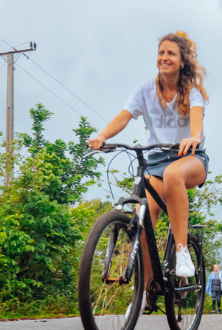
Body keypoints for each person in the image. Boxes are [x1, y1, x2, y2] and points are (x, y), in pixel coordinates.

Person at [88, 31, 209, 313]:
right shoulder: (144, 90)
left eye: (171, 53)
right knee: (143, 223)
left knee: (173, 175)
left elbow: (197, 119)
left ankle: (182, 252)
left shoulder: (192, 93)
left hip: (190, 158)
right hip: (156, 162)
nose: (164, 57)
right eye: (161, 53)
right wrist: (102, 135)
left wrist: (193, 136)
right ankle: (144, 291)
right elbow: (124, 116)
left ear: (182, 61)